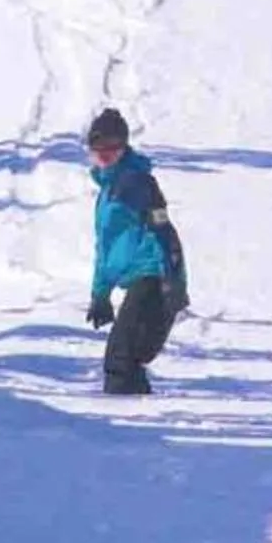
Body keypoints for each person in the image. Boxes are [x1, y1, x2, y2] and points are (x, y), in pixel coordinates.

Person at [85, 108, 185, 395]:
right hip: (137, 277)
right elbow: (104, 250)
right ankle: (135, 419)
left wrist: (172, 278)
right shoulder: (107, 190)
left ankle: (123, 424)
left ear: (124, 146)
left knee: (122, 357)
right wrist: (100, 295)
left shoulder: (137, 182)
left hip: (153, 273)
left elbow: (163, 230)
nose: (105, 153)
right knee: (127, 356)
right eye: (98, 147)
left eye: (113, 146)